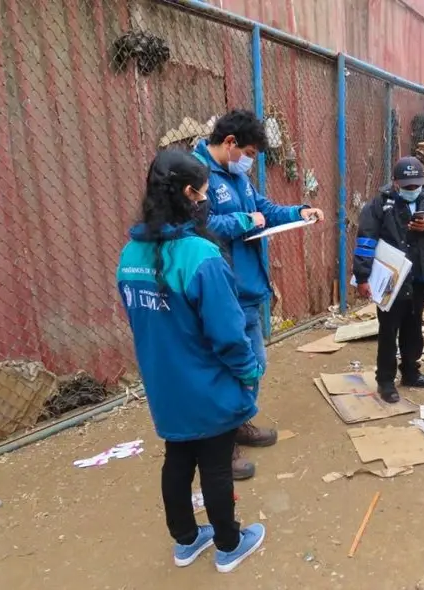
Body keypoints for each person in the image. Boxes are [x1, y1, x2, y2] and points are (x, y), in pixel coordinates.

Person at [117, 149, 265, 572]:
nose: (206, 201)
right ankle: (229, 544)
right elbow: (229, 335)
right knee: (216, 464)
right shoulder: (201, 256)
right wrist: (249, 373)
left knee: (178, 459)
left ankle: (185, 540)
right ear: (187, 194)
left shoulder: (130, 255)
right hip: (208, 385)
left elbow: (140, 320)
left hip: (164, 385)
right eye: (202, 193)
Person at [192, 109, 325, 480]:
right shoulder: (196, 174)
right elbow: (197, 224)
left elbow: (262, 209)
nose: (249, 161)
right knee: (225, 369)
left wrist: (299, 212)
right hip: (222, 291)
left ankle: (237, 424)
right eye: (249, 153)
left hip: (248, 288)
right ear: (230, 143)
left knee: (254, 365)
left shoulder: (237, 175)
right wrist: (243, 221)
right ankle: (221, 446)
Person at [353, 156, 424, 402]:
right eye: (407, 186)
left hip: (419, 278)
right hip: (391, 280)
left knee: (414, 327)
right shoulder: (380, 205)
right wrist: (362, 277)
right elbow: (365, 241)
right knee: (388, 331)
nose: (413, 190)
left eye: (416, 185)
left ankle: (411, 372)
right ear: (395, 182)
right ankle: (385, 381)